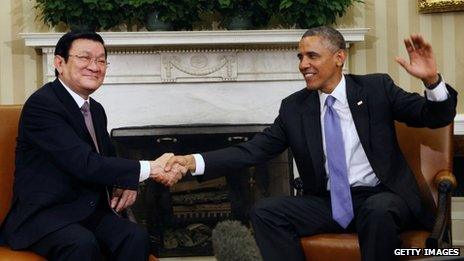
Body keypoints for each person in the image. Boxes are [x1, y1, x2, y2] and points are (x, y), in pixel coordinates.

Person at [163, 26, 457, 261]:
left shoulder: (376, 88)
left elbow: (434, 116)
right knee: (266, 211)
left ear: (339, 57)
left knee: (377, 211)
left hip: (380, 196)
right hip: (328, 203)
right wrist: (192, 161)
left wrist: (432, 81)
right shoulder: (295, 108)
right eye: (300, 57)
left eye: (312, 56)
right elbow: (252, 150)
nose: (303, 65)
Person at [0, 31, 185, 261]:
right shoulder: (43, 106)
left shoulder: (95, 109)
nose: (94, 66)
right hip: (44, 215)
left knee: (135, 236)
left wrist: (126, 182)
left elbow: (106, 156)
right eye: (84, 58)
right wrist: (150, 168)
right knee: (81, 244)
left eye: (100, 60)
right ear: (59, 63)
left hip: (85, 211)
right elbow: (84, 163)